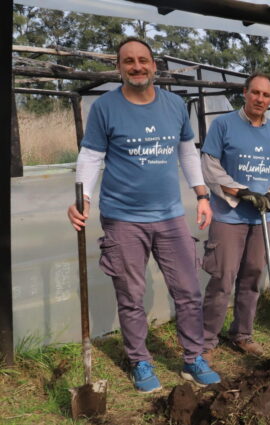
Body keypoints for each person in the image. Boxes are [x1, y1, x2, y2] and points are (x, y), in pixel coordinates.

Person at [66, 38, 220, 392]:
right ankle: (139, 361)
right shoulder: (105, 107)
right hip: (123, 218)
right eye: (129, 61)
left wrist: (201, 195)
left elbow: (186, 152)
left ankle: (193, 357)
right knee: (131, 294)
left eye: (143, 60)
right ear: (119, 66)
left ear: (154, 65)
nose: (137, 66)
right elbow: (91, 157)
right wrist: (84, 197)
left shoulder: (175, 105)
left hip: (169, 217)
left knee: (187, 289)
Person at [199, 72, 270, 365]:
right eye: (255, 93)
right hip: (229, 214)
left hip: (263, 216)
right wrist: (241, 191)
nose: (260, 99)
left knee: (252, 276)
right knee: (223, 277)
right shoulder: (224, 124)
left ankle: (242, 334)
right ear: (245, 93)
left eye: (266, 95)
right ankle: (207, 339)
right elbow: (210, 166)